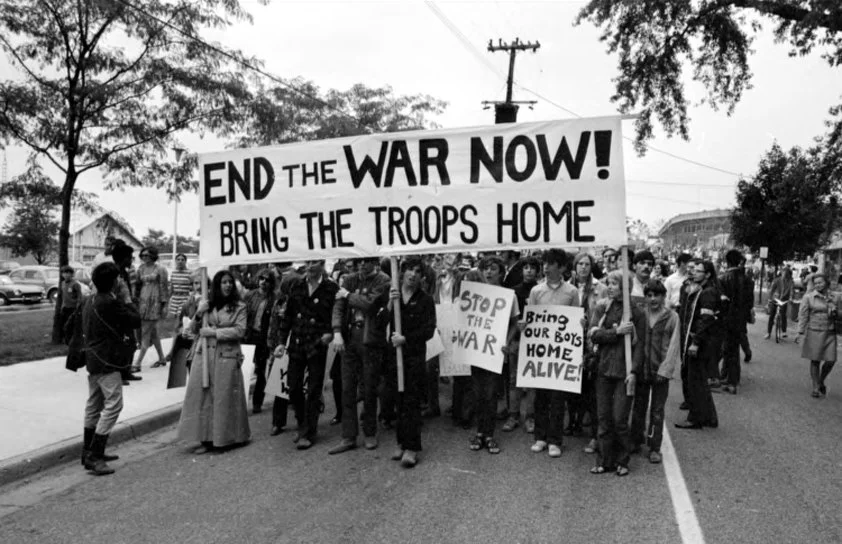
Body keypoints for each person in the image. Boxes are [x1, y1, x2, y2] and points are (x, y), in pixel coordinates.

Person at [177, 269, 250, 454]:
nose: (227, 285)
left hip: (226, 355)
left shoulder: (239, 306)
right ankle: (206, 439)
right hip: (204, 356)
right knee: (203, 397)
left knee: (224, 398)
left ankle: (228, 438)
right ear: (216, 286)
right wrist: (199, 314)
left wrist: (215, 333)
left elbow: (240, 331)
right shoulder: (207, 305)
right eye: (223, 282)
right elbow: (193, 330)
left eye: (230, 282)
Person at [80, 262, 141, 475]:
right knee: (114, 405)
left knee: (94, 405)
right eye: (119, 279)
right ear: (114, 282)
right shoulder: (110, 302)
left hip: (93, 359)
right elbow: (135, 320)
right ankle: (95, 454)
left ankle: (87, 451)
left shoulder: (90, 300)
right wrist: (127, 298)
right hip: (108, 360)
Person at [328, 257, 391, 454]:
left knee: (370, 386)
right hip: (350, 337)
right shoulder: (349, 279)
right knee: (347, 388)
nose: (362, 264)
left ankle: (370, 432)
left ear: (375, 261)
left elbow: (371, 304)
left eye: (366, 260)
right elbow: (338, 306)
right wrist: (337, 331)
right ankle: (348, 436)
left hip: (370, 338)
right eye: (359, 261)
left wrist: (348, 295)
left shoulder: (383, 280)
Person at [275, 260, 338, 450]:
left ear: (322, 264)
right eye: (309, 262)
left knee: (314, 389)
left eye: (315, 263)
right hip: (297, 343)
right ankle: (302, 423)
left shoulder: (330, 288)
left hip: (317, 344)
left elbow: (336, 314)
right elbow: (288, 317)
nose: (310, 266)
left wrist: (331, 332)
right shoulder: (297, 285)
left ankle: (308, 431)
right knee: (293, 387)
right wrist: (281, 342)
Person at [588, 270, 644, 477]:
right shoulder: (603, 307)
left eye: (614, 284)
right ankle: (603, 460)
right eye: (608, 283)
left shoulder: (637, 313)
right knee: (603, 418)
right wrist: (616, 333)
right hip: (603, 370)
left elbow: (640, 346)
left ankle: (623, 460)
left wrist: (634, 372)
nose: (609, 287)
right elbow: (593, 334)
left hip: (624, 373)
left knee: (619, 419)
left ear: (625, 287)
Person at [527, 249, 580, 458]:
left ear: (562, 267)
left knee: (558, 399)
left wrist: (580, 323)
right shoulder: (536, 291)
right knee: (541, 397)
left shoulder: (572, 292)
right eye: (545, 263)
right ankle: (540, 437)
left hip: (561, 355)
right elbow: (531, 319)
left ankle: (555, 440)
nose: (546, 267)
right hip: (541, 354)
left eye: (550, 263)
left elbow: (576, 319)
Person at [385, 257, 436, 467]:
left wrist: (406, 339)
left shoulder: (425, 300)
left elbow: (429, 330)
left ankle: (412, 447)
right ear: (402, 272)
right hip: (393, 357)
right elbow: (380, 321)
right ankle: (401, 441)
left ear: (421, 277)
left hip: (413, 357)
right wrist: (389, 303)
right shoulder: (393, 297)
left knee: (411, 401)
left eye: (417, 271)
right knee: (398, 399)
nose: (412, 275)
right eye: (409, 270)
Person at [469, 256, 520, 455]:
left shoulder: (509, 295)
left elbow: (515, 322)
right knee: (477, 392)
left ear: (501, 272)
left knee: (490, 394)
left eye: (493, 269)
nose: (488, 272)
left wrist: (506, 341)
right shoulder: (474, 294)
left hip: (494, 351)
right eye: (485, 269)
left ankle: (488, 433)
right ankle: (479, 432)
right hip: (476, 348)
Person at [630, 280, 680, 464]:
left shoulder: (672, 317)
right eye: (649, 295)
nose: (653, 299)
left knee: (657, 411)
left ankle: (654, 446)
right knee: (638, 407)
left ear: (663, 296)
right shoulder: (640, 314)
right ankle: (635, 440)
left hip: (660, 371)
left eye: (657, 295)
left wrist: (665, 370)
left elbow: (674, 345)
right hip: (642, 369)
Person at [570, 252, 608, 453]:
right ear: (574, 267)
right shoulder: (568, 287)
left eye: (587, 264)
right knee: (572, 386)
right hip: (568, 343)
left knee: (592, 390)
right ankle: (574, 421)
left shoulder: (600, 289)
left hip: (591, 344)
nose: (583, 267)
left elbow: (605, 313)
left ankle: (594, 434)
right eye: (580, 264)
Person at [675, 261, 720, 430]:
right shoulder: (701, 290)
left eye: (699, 271)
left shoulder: (708, 292)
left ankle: (695, 418)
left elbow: (706, 320)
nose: (695, 273)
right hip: (699, 340)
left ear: (707, 274)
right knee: (700, 381)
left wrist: (695, 343)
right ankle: (709, 417)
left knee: (695, 381)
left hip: (699, 343)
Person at [502, 255, 540, 434]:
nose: (529, 270)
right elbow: (508, 318)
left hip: (535, 341)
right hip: (517, 339)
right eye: (526, 267)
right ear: (522, 270)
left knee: (531, 379)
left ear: (537, 271)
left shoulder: (541, 291)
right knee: (513, 380)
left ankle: (530, 417)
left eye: (532, 267)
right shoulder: (513, 291)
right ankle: (513, 415)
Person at [797, 273, 841, 398]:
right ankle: (815, 387)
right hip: (814, 331)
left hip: (830, 332)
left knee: (831, 360)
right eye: (816, 283)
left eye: (820, 282)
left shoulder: (836, 297)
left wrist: (835, 311)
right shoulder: (809, 297)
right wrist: (800, 332)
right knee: (815, 360)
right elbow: (803, 315)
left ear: (827, 283)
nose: (818, 285)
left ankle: (821, 380)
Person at [243, 268, 277, 414]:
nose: (264, 282)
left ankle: (258, 402)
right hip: (248, 335)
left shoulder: (274, 298)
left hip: (263, 338)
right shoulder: (250, 295)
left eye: (267, 280)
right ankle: (241, 400)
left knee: (261, 370)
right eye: (262, 278)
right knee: (244, 369)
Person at [718, 249, 752, 394]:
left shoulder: (723, 278)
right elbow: (750, 303)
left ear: (726, 261)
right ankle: (729, 378)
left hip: (726, 319)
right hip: (740, 320)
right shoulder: (748, 280)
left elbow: (721, 302)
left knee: (728, 350)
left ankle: (731, 381)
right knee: (733, 349)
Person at [133, 246, 169, 371]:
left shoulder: (160, 269)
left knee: (146, 332)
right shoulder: (140, 269)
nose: (144, 258)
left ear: (153, 256)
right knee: (152, 333)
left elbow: (164, 287)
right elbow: (137, 286)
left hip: (155, 301)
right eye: (142, 255)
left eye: (147, 255)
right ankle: (162, 358)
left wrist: (164, 305)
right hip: (143, 301)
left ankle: (137, 363)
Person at [110, 241, 141, 384]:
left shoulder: (124, 273)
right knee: (122, 344)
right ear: (122, 258)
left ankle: (126, 371)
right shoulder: (113, 273)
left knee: (132, 343)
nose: (131, 260)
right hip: (117, 313)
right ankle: (119, 374)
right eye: (129, 257)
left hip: (126, 310)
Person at [765, 267, 793, 339]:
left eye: (786, 274)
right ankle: (768, 333)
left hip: (784, 300)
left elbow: (791, 291)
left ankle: (784, 331)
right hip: (775, 299)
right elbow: (772, 290)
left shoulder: (790, 282)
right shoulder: (777, 280)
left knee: (783, 315)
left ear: (789, 275)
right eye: (783, 273)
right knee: (772, 315)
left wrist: (791, 298)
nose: (784, 275)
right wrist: (769, 299)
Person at [60, 265, 83, 342]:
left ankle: (73, 339)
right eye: (64, 273)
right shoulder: (62, 283)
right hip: (65, 307)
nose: (66, 275)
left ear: (72, 274)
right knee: (64, 325)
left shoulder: (75, 284)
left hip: (73, 308)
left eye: (68, 273)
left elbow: (80, 296)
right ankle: (66, 339)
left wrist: (78, 307)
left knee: (72, 325)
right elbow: (64, 296)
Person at [168, 253, 192, 318]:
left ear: (185, 261)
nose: (180, 261)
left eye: (182, 260)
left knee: (181, 317)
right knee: (172, 317)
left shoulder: (190, 273)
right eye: (178, 259)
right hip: (174, 299)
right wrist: (168, 299)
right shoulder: (173, 272)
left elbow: (192, 287)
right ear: (175, 261)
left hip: (184, 298)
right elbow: (171, 287)